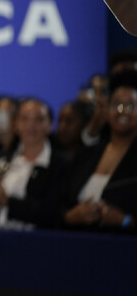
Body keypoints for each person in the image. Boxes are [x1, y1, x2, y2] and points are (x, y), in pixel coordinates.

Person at [0, 98, 68, 230]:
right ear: (15, 124)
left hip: (39, 244)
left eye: (38, 119)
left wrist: (6, 201)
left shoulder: (61, 165)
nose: (31, 125)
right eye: (24, 119)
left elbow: (53, 214)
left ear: (50, 125)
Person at [60, 70, 137, 233]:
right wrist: (69, 216)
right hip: (77, 245)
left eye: (130, 105)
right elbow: (58, 205)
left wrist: (126, 220)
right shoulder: (86, 155)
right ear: (106, 110)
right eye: (116, 104)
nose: (122, 111)